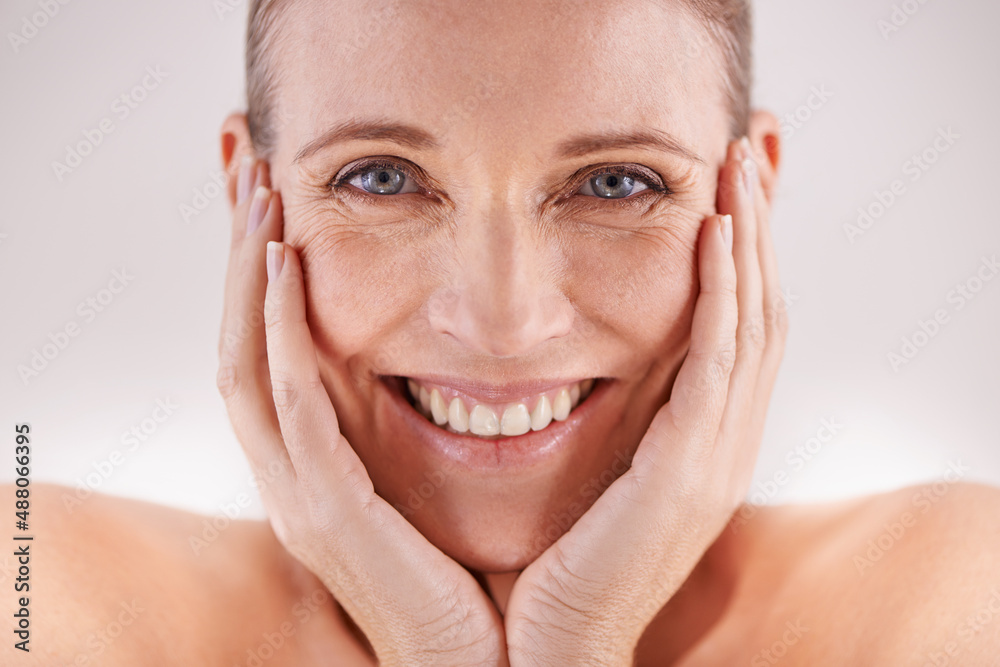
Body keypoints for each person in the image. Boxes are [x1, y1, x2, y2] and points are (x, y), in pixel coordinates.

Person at [6, 0, 1000, 664]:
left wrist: (579, 639)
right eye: (381, 177)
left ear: (754, 197)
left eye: (616, 183)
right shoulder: (34, 586)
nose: (501, 323)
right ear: (249, 196)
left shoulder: (952, 597)